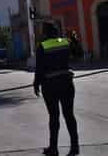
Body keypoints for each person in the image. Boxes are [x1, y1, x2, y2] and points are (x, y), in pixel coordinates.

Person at [34, 23, 80, 156]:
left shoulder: (42, 46)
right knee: (69, 115)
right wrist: (75, 40)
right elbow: (78, 54)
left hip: (50, 85)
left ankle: (53, 148)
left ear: (45, 33)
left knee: (54, 117)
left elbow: (39, 69)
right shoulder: (65, 42)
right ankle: (75, 147)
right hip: (67, 83)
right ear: (57, 32)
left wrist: (36, 84)